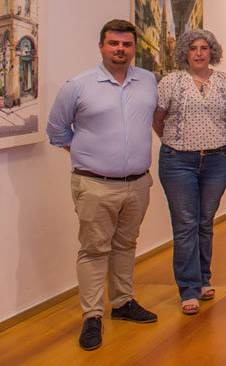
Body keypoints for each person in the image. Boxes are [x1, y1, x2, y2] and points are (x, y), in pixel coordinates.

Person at [47, 19, 159, 350]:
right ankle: (92, 316)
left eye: (126, 44)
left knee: (126, 245)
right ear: (101, 46)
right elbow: (57, 131)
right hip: (94, 184)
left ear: (133, 48)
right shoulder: (78, 85)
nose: (120, 49)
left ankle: (123, 303)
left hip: (138, 183)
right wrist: (90, 155)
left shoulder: (148, 80)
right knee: (94, 249)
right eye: (113, 43)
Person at [153, 29, 226, 315]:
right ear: (185, 53)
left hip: (218, 160)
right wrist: (177, 142)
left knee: (205, 221)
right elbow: (158, 120)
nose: (199, 53)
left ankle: (204, 279)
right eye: (193, 48)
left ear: (212, 52)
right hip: (178, 161)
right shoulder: (170, 82)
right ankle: (188, 288)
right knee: (186, 224)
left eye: (204, 48)